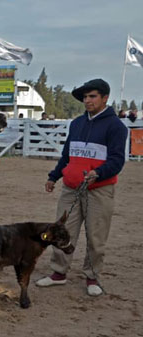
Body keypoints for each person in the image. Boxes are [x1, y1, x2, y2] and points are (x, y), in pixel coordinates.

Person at [36, 79, 127, 297]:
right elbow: (67, 155)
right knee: (63, 231)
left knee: (96, 236)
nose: (87, 100)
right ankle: (59, 273)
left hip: (99, 189)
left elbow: (117, 160)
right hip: (71, 188)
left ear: (105, 98)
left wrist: (99, 173)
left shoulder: (116, 127)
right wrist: (54, 176)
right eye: (85, 97)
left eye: (92, 96)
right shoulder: (76, 124)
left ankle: (92, 276)